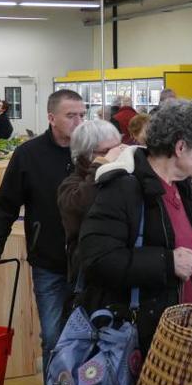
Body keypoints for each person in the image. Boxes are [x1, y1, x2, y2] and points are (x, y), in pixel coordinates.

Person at [78, 99, 192, 361]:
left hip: (185, 335)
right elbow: (96, 258)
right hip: (145, 340)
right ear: (180, 147)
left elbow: (191, 260)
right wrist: (166, 262)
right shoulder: (124, 188)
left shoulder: (183, 190)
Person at [0, 89, 86, 385]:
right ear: (52, 118)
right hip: (49, 265)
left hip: (92, 267)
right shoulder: (29, 155)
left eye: (82, 114)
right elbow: (4, 205)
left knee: (95, 340)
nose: (79, 121)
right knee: (54, 341)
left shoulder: (94, 153)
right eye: (71, 115)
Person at [58, 120, 124, 284]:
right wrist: (101, 166)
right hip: (88, 276)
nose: (116, 155)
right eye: (107, 151)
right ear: (86, 154)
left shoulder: (122, 177)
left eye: (118, 148)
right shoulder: (71, 184)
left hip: (120, 269)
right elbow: (79, 207)